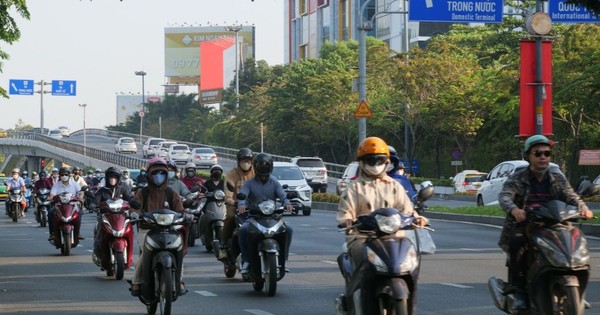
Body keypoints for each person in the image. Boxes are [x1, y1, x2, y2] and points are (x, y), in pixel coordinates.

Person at [498, 134, 594, 310]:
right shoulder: (519, 177)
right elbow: (505, 195)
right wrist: (514, 210)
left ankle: (577, 291)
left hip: (556, 222)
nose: (543, 157)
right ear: (528, 156)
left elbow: (570, 195)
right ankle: (519, 290)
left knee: (577, 239)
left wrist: (583, 207)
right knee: (516, 240)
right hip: (528, 223)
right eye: (538, 153)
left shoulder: (557, 177)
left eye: (546, 153)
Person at [336, 137, 428, 298]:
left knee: (411, 258)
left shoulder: (395, 186)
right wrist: (347, 220)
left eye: (380, 159)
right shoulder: (354, 188)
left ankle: (409, 293)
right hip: (363, 237)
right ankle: (357, 297)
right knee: (362, 260)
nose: (375, 164)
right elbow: (346, 212)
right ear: (362, 162)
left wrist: (416, 218)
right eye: (370, 160)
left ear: (387, 162)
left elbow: (407, 209)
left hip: (395, 237)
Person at [129, 157, 188, 297]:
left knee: (179, 251)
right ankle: (136, 281)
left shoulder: (170, 192)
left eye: (162, 173)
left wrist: (186, 215)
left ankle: (179, 280)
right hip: (147, 229)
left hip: (169, 229)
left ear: (166, 174)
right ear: (149, 175)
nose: (158, 176)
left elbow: (180, 209)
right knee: (145, 253)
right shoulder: (143, 192)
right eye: (155, 173)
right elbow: (134, 207)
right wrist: (135, 214)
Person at [237, 153, 294, 273]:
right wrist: (242, 204)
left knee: (288, 230)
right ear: (255, 166)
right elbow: (243, 196)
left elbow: (283, 196)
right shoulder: (249, 183)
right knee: (243, 230)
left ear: (271, 166)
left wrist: (287, 203)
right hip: (254, 217)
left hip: (273, 216)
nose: (263, 167)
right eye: (260, 165)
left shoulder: (274, 182)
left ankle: (284, 260)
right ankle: (246, 260)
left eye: (266, 165)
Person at [92, 167, 133, 263]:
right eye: (110, 177)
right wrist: (93, 205)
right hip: (105, 218)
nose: (112, 179)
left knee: (129, 229)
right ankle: (98, 254)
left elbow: (130, 199)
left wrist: (133, 203)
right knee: (98, 232)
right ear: (107, 179)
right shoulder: (102, 191)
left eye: (114, 177)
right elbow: (95, 201)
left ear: (118, 179)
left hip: (121, 218)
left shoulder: (122, 189)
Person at [220, 148, 255, 259]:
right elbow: (228, 192)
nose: (246, 163)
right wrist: (231, 200)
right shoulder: (232, 174)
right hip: (235, 205)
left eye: (248, 160)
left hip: (254, 206)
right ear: (238, 161)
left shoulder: (256, 174)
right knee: (230, 217)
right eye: (243, 160)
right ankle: (223, 245)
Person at [48, 167, 84, 241]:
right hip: (59, 206)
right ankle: (52, 233)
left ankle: (78, 232)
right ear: (60, 176)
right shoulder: (56, 185)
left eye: (66, 174)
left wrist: (80, 196)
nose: (64, 176)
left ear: (69, 175)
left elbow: (80, 192)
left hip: (72, 206)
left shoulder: (74, 184)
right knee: (50, 212)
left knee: (79, 212)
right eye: (62, 175)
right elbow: (52, 195)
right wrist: (51, 198)